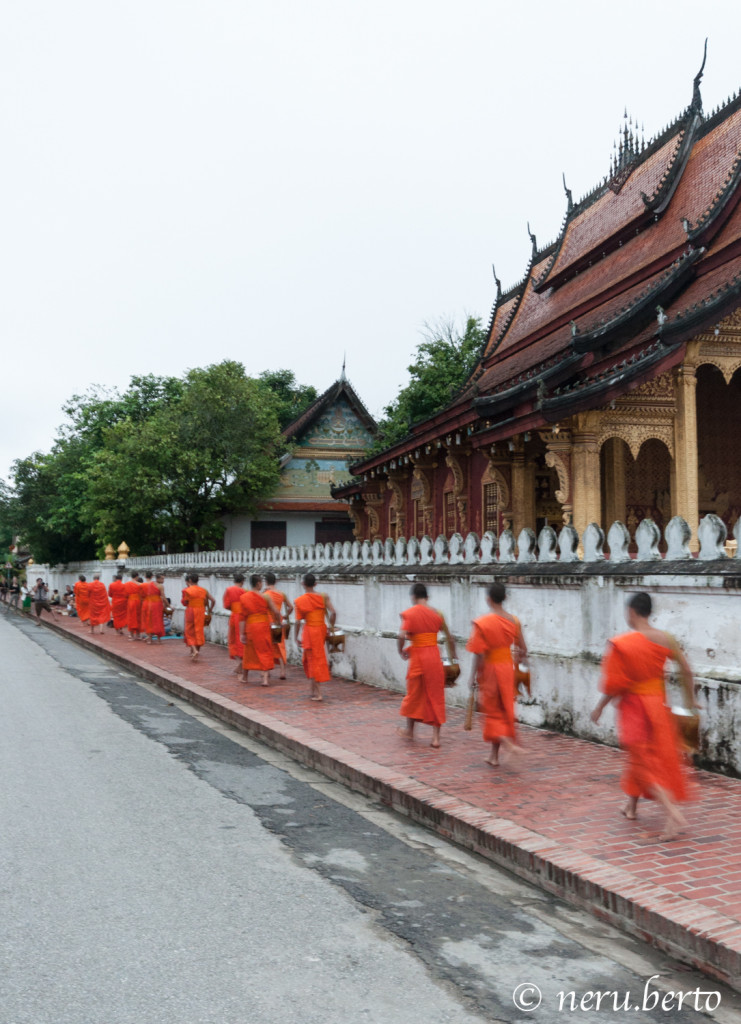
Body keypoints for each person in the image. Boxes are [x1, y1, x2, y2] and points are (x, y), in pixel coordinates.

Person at [591, 592, 697, 841]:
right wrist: (691, 702)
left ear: (631, 612)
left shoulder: (622, 643)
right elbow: (687, 671)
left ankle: (672, 812)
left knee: (642, 763)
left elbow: (615, 684)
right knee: (650, 758)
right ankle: (631, 807)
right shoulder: (666, 638)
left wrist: (600, 707)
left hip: (634, 708)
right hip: (658, 707)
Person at [466, 582, 528, 767]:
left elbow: (479, 653)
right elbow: (523, 649)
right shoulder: (514, 621)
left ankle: (509, 745)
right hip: (507, 669)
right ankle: (493, 756)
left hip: (491, 669)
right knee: (503, 710)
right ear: (505, 598)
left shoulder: (483, 623)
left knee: (492, 712)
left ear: (488, 599)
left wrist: (473, 676)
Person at [397, 582, 456, 748]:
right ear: (427, 597)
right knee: (436, 695)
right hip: (433, 656)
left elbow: (401, 636)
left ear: (413, 597)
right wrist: (454, 659)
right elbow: (450, 638)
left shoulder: (410, 613)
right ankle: (436, 738)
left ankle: (410, 731)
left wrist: (401, 651)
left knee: (413, 694)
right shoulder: (438, 614)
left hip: (417, 657)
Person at [294, 573, 336, 701]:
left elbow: (297, 621)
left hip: (310, 631)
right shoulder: (323, 596)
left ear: (303, 584)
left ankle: (319, 693)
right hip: (321, 629)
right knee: (314, 657)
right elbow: (333, 613)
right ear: (315, 584)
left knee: (313, 660)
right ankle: (313, 689)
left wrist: (295, 636)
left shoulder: (300, 601)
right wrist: (331, 627)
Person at [239, 575, 279, 686]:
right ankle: (265, 679)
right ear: (258, 584)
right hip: (263, 626)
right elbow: (276, 611)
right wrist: (277, 622)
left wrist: (242, 634)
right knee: (264, 650)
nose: (262, 584)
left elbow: (242, 618)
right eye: (261, 582)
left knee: (249, 651)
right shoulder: (265, 597)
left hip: (251, 627)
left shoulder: (244, 597)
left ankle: (245, 677)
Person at [264, 571, 293, 680]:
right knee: (280, 646)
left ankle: (267, 671)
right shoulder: (281, 594)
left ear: (266, 582)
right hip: (279, 622)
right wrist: (285, 616)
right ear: (275, 582)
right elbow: (291, 607)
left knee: (268, 646)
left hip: (268, 621)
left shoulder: (266, 594)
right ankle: (282, 671)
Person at [181, 573, 215, 660]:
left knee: (189, 631)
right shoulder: (203, 590)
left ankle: (194, 650)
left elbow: (185, 602)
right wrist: (210, 610)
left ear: (190, 580)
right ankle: (197, 650)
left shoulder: (187, 590)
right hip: (200, 611)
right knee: (199, 630)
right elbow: (213, 600)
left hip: (191, 610)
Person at [222, 572, 246, 673]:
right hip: (243, 617)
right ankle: (242, 661)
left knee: (232, 640)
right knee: (241, 639)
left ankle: (240, 661)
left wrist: (234, 608)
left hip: (234, 616)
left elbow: (226, 605)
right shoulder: (244, 591)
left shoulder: (229, 590)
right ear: (242, 581)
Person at [141, 570, 165, 643]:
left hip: (148, 604)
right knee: (158, 620)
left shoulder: (145, 585)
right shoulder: (159, 586)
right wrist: (168, 605)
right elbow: (163, 597)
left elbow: (142, 596)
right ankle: (158, 639)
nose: (163, 580)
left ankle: (150, 639)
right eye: (162, 578)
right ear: (155, 578)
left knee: (149, 620)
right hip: (157, 604)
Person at [123, 569, 143, 640]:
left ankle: (132, 636)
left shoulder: (126, 584)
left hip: (131, 601)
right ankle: (138, 635)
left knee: (131, 618)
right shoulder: (140, 585)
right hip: (138, 602)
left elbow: (125, 595)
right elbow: (142, 594)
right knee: (138, 618)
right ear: (137, 576)